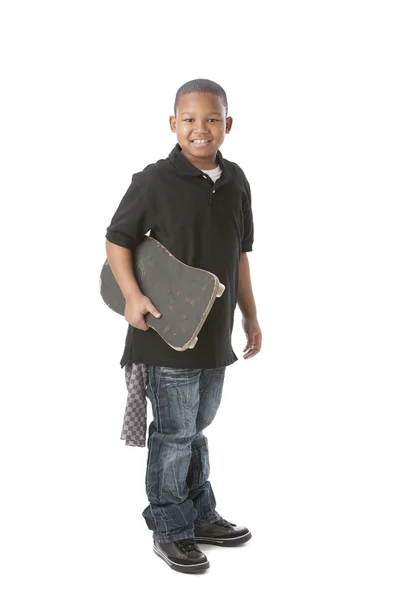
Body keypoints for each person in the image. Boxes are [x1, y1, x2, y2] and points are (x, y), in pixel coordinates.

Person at [105, 78, 262, 574]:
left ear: (228, 125)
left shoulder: (236, 181)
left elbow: (240, 256)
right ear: (173, 125)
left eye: (212, 119)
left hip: (213, 335)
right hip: (163, 334)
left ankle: (197, 514)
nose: (201, 129)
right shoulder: (153, 180)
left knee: (196, 427)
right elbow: (117, 239)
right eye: (190, 120)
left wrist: (251, 315)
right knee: (174, 433)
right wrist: (132, 296)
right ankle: (170, 528)